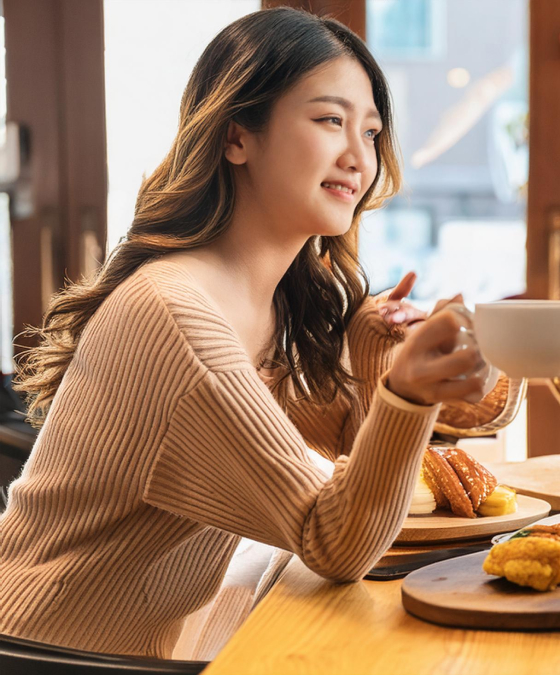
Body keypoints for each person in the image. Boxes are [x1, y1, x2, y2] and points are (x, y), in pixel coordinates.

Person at [0, 8, 495, 658]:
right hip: (49, 655)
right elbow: (335, 537)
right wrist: (406, 394)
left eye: (371, 132)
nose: (358, 156)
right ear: (238, 136)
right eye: (329, 120)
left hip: (129, 652)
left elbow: (350, 475)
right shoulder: (177, 314)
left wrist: (375, 349)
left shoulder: (269, 304)